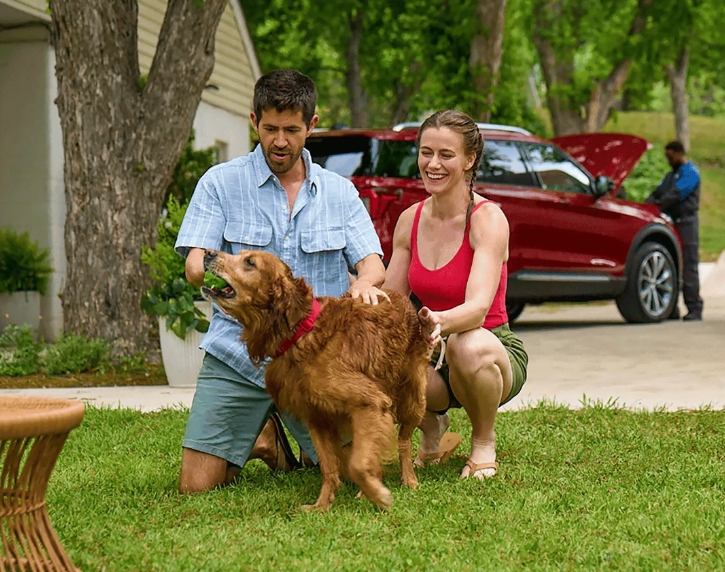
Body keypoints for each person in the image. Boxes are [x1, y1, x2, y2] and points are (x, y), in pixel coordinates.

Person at [174, 69, 388, 493]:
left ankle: (296, 435)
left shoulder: (339, 192)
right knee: (195, 487)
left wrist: (365, 281)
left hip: (316, 360)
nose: (279, 141)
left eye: (292, 129)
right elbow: (196, 259)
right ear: (254, 120)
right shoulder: (220, 182)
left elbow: (372, 264)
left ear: (312, 124)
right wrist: (200, 265)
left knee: (353, 476)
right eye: (270, 128)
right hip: (238, 354)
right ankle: (264, 435)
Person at [383, 110, 529, 480]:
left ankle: (483, 442)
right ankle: (432, 427)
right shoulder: (409, 220)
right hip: (433, 353)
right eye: (426, 152)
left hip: (489, 348)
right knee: (384, 348)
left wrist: (439, 323)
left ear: (469, 159)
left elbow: (479, 309)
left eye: (446, 155)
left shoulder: (487, 218)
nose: (433, 164)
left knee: (467, 344)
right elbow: (392, 301)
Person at [646, 140, 704, 321]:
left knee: (689, 266)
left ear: (679, 154)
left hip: (687, 223)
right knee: (672, 264)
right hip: (671, 223)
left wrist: (658, 205)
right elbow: (659, 191)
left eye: (670, 157)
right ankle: (671, 308)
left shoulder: (691, 173)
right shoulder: (670, 176)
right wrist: (647, 205)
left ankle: (694, 307)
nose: (669, 161)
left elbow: (676, 194)